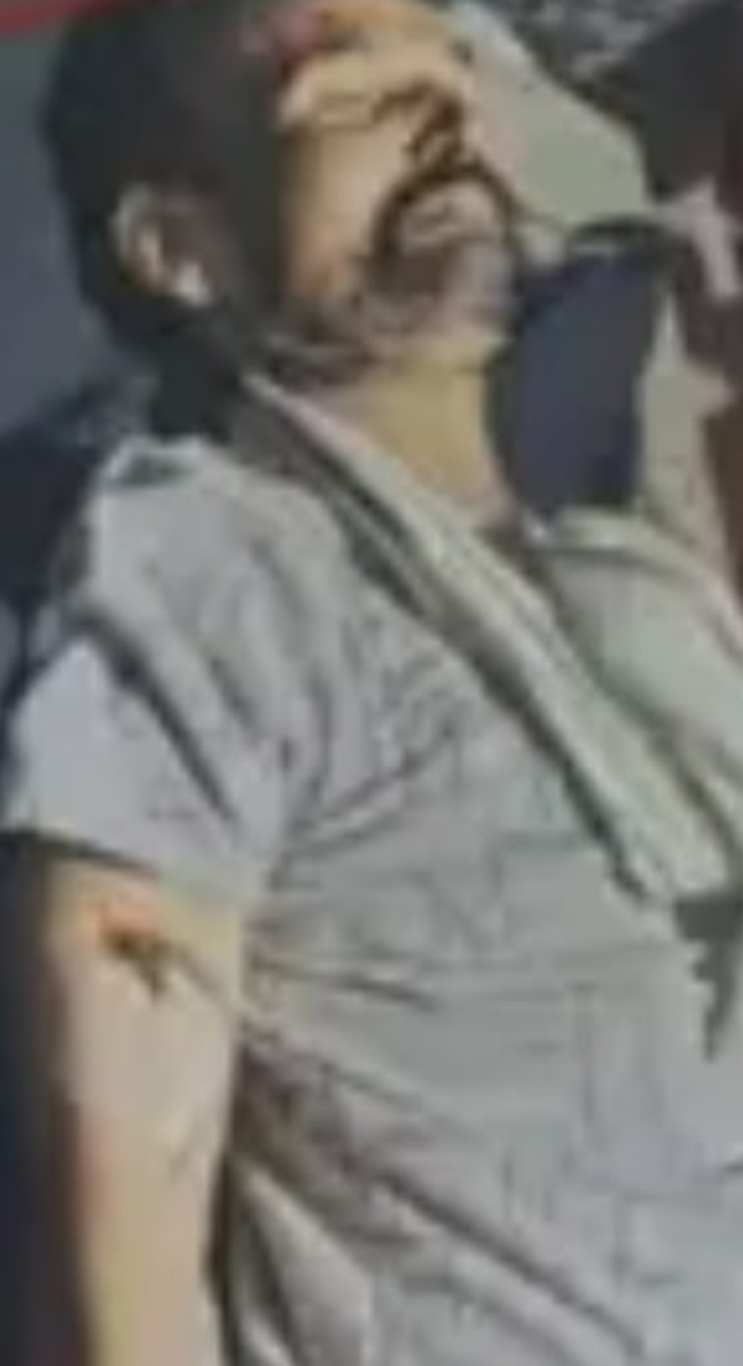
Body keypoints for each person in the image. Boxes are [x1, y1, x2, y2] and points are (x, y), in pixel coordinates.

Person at [5, 1, 743, 1363]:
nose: (439, 104)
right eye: (347, 91)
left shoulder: (631, 578)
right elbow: (125, 1165)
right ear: (180, 247)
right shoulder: (204, 558)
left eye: (451, 61)